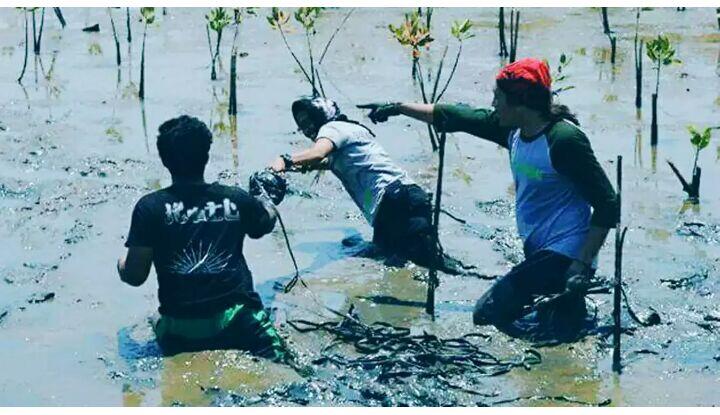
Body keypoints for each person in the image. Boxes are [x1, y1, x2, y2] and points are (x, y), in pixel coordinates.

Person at [358, 58, 619, 335]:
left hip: (566, 252)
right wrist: (398, 108)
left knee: (487, 313)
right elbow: (456, 115)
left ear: (520, 102)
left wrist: (580, 263)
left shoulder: (563, 140)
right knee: (558, 323)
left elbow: (607, 203)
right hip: (539, 247)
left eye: (498, 98)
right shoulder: (513, 130)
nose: (493, 104)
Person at [117, 115, 289, 360]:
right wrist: (266, 199)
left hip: (181, 329)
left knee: (153, 319)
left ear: (164, 160)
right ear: (206, 156)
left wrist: (120, 264)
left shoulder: (150, 208)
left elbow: (134, 276)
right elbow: (264, 223)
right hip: (238, 320)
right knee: (284, 364)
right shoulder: (235, 199)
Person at [269, 96, 471, 275]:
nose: (306, 130)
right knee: (402, 262)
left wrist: (284, 159)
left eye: (307, 122)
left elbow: (317, 153)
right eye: (301, 126)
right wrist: (286, 169)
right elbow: (322, 161)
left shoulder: (332, 129)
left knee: (419, 265)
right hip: (399, 200)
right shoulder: (350, 133)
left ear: (321, 115)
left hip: (396, 200)